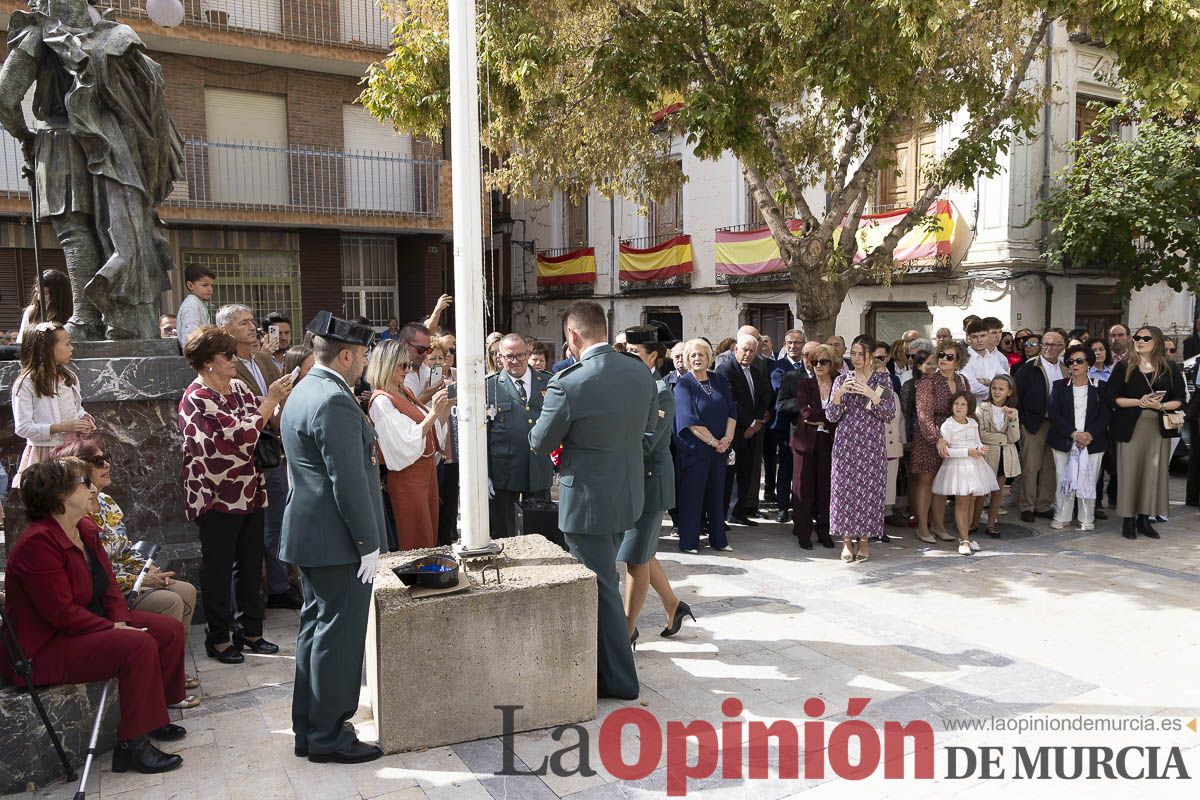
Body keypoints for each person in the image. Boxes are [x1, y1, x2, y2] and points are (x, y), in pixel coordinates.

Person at [2, 457, 186, 774]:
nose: (92, 489)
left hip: (86, 626)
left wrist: (121, 621)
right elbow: (60, 614)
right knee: (137, 646)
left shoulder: (84, 528)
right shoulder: (37, 544)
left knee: (168, 631)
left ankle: (154, 719)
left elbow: (109, 586)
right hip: (47, 646)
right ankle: (132, 745)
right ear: (61, 495)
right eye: (85, 483)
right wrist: (112, 628)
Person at [529, 300, 658, 700]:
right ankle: (606, 668)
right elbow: (648, 427)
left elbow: (539, 441)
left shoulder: (568, 382)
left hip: (587, 501)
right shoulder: (639, 372)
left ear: (571, 335)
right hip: (627, 492)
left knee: (601, 586)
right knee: (607, 581)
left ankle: (620, 679)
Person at [280, 311, 386, 764]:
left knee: (315, 633)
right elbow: (348, 482)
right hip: (338, 539)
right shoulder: (333, 400)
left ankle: (310, 729)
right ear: (344, 355)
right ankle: (328, 735)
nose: (365, 362)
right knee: (337, 640)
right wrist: (369, 544)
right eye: (362, 354)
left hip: (315, 533)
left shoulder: (307, 388)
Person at [51, 438, 201, 708]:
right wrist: (141, 580)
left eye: (105, 457)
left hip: (129, 580)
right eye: (97, 461)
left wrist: (147, 570)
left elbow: (123, 550)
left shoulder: (106, 502)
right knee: (170, 601)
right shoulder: (74, 514)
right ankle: (160, 683)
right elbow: (94, 571)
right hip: (113, 592)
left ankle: (172, 672)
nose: (107, 464)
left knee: (186, 590)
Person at [178, 325, 291, 663]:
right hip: (215, 494)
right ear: (208, 361)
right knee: (218, 567)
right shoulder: (196, 398)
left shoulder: (240, 387)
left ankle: (251, 631)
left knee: (252, 563)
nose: (234, 359)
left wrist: (275, 406)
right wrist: (268, 403)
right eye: (227, 354)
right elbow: (234, 440)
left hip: (250, 489)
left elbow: (260, 425)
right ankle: (219, 638)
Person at [216, 304, 297, 610]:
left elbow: (279, 403)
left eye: (252, 322)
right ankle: (257, 597)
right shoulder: (223, 369)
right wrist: (271, 401)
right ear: (226, 331)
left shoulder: (263, 360)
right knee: (255, 534)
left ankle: (279, 586)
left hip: (273, 450)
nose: (252, 327)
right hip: (245, 458)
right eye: (243, 323)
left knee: (277, 523)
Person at [619, 327, 694, 643]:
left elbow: (649, 443)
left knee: (636, 556)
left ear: (653, 356)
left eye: (635, 353)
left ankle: (627, 630)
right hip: (632, 479)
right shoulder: (630, 385)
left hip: (650, 482)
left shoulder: (661, 391)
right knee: (644, 552)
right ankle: (673, 606)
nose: (629, 359)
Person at [366, 340, 450, 551]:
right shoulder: (382, 401)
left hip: (424, 471)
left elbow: (432, 431)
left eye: (408, 365)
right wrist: (433, 412)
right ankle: (418, 579)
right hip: (408, 476)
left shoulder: (403, 392)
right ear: (386, 366)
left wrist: (447, 405)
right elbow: (405, 440)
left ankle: (427, 577)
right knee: (415, 535)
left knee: (428, 532)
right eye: (402, 366)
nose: (407, 370)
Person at [1106, 326, 1185, 540]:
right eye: (1137, 337)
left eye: (1145, 338)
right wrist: (1139, 402)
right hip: (1131, 428)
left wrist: (1160, 407)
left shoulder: (1169, 367)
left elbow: (1180, 398)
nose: (1140, 341)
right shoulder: (1124, 366)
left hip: (1157, 430)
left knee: (1153, 475)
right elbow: (1112, 397)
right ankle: (1128, 520)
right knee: (1129, 473)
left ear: (1156, 341)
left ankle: (1144, 519)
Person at [826, 338, 895, 563]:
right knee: (844, 490)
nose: (855, 358)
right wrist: (839, 394)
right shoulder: (841, 379)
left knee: (869, 490)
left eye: (860, 354)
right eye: (853, 353)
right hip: (846, 443)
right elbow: (831, 416)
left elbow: (888, 414)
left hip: (872, 443)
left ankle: (864, 540)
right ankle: (846, 541)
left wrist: (871, 393)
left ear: (871, 355)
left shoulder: (882, 379)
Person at [485, 333, 552, 539]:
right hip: (505, 472)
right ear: (499, 357)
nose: (514, 361)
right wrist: (484, 473)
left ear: (528, 353)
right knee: (504, 532)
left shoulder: (548, 382)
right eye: (508, 357)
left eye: (520, 356)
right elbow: (483, 434)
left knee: (540, 532)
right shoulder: (490, 386)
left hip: (538, 469)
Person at [12, 321, 94, 487]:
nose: (71, 348)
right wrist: (60, 427)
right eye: (67, 344)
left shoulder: (69, 377)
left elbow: (76, 409)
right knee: (51, 500)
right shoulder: (27, 383)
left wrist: (83, 419)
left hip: (73, 451)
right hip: (46, 454)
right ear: (48, 349)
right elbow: (23, 427)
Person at [776, 344, 837, 549]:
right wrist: (827, 416)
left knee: (825, 489)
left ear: (832, 363)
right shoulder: (804, 384)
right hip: (804, 443)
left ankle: (824, 531)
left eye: (823, 361)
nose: (818, 365)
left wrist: (824, 418)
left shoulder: (839, 384)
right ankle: (803, 533)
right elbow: (806, 414)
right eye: (814, 362)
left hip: (829, 442)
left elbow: (841, 416)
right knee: (803, 490)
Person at [1046, 344, 1111, 531]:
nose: (1074, 365)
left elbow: (1105, 414)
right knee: (1063, 478)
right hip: (1065, 440)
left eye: (1079, 361)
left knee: (1088, 478)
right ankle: (1062, 515)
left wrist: (1089, 435)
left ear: (1088, 364)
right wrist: (1074, 434)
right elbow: (1054, 413)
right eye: (1070, 361)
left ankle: (1086, 517)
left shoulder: (1100, 387)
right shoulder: (1059, 386)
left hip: (1093, 442)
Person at [910, 341, 969, 543]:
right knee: (927, 481)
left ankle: (939, 525)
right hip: (929, 437)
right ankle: (922, 527)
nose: (944, 359)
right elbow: (923, 415)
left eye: (949, 357)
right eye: (941, 355)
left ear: (958, 361)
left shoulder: (963, 381)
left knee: (943, 482)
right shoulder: (928, 382)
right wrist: (937, 439)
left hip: (954, 438)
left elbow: (968, 409)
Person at [932, 392, 998, 555]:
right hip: (958, 467)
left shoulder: (973, 423)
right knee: (962, 502)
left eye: (963, 404)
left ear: (969, 408)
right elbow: (946, 452)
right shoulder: (948, 425)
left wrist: (980, 449)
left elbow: (977, 442)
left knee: (971, 502)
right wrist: (967, 451)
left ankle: (966, 535)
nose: (959, 407)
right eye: (956, 404)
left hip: (975, 466)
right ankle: (964, 540)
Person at [718, 333, 771, 526]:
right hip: (734, 429)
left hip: (752, 430)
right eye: (744, 350)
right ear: (736, 350)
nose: (748, 354)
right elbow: (731, 401)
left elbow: (765, 394)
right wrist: (750, 423)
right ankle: (723, 515)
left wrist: (758, 421)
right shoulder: (725, 369)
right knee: (729, 476)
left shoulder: (756, 370)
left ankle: (739, 512)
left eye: (752, 351)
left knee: (746, 473)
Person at [1014, 329, 1067, 522]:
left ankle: (1043, 505)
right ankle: (1027, 506)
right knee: (1031, 466)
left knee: (1050, 467)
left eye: (1054, 345)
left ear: (1063, 348)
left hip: (1057, 425)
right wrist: (1022, 420)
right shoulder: (1030, 367)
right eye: (1045, 343)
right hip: (1034, 424)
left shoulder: (1065, 369)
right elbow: (1015, 394)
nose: (1048, 348)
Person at [769, 329, 809, 522]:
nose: (793, 346)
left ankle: (801, 505)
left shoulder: (810, 366)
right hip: (786, 426)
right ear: (785, 345)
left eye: (797, 343)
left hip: (809, 427)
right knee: (785, 467)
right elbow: (779, 392)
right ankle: (783, 507)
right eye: (789, 343)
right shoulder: (778, 368)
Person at [974, 375, 1021, 538]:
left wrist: (1012, 420)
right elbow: (981, 434)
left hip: (1005, 456)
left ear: (1009, 392)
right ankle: (974, 522)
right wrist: (1002, 438)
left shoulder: (1013, 411)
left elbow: (1014, 438)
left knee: (998, 491)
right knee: (981, 490)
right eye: (994, 388)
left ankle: (991, 524)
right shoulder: (982, 408)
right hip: (987, 453)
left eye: (1001, 389)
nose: (996, 391)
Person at [15, 270, 72, 344]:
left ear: (59, 295)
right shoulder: (31, 312)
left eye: (45, 293)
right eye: (37, 292)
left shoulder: (72, 314)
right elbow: (21, 342)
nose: (39, 297)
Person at [961, 319, 1008, 402]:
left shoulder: (993, 358)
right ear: (969, 338)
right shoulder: (964, 358)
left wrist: (986, 382)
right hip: (971, 410)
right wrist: (997, 390)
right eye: (975, 337)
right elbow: (972, 388)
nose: (979, 340)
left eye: (983, 336)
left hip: (992, 408)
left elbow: (1007, 380)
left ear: (988, 336)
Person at [401, 322, 444, 403]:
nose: (425, 354)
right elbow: (401, 414)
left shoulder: (428, 372)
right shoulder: (394, 376)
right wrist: (424, 397)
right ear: (404, 344)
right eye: (420, 349)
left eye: (428, 350)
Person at [176, 263, 215, 348]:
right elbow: (189, 336)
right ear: (190, 285)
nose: (210, 289)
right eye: (205, 285)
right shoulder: (191, 304)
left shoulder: (198, 303)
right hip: (195, 354)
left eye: (212, 285)